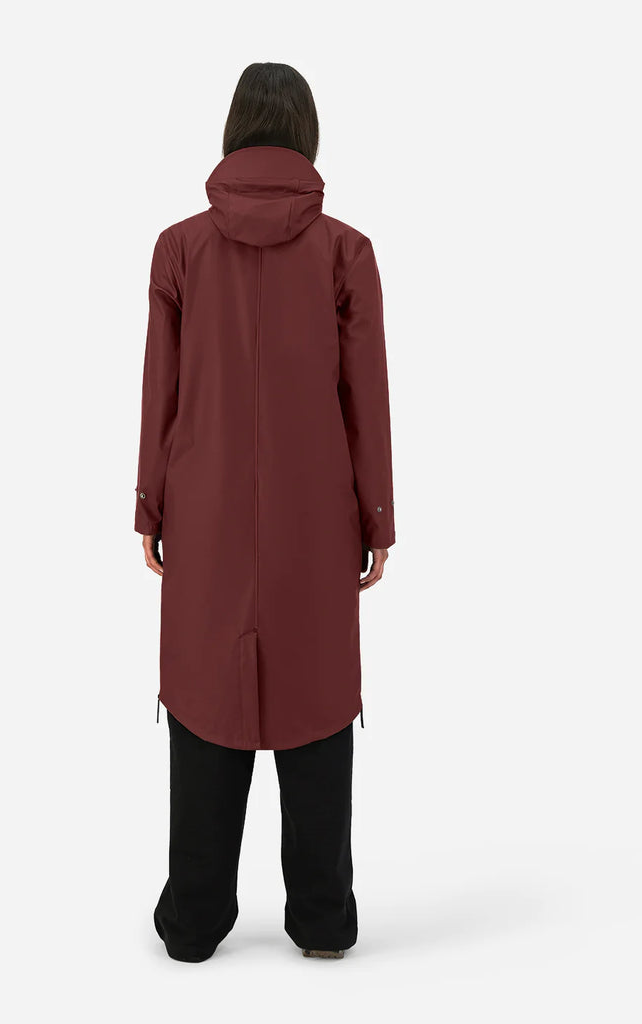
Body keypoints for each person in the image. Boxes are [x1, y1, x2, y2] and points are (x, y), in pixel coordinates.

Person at [134, 62, 395, 962]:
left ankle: (193, 921)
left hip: (202, 516)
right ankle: (322, 921)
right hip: (315, 521)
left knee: (205, 697)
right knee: (316, 700)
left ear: (233, 132)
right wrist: (376, 518)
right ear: (305, 137)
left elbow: (160, 392)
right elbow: (365, 399)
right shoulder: (346, 252)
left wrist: (149, 505)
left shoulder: (178, 249)